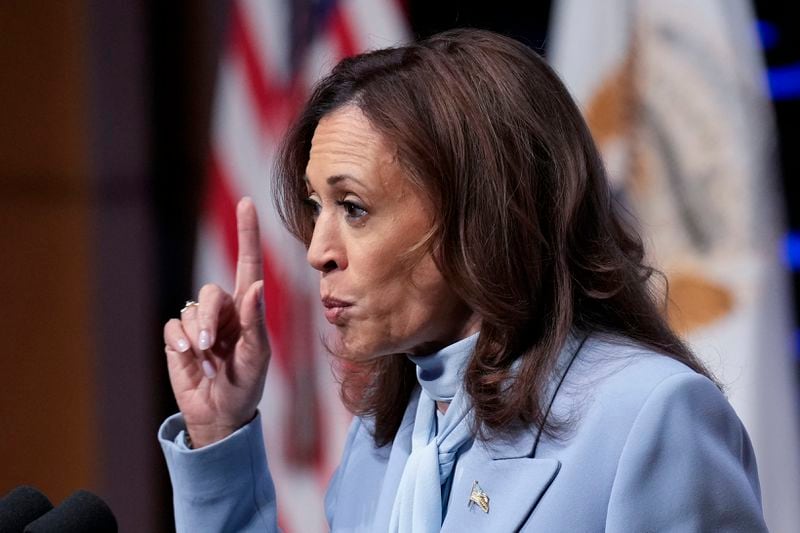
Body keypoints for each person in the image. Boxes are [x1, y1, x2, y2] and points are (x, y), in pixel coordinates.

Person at [158, 29, 767, 532]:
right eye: (317, 207)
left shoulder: (650, 417)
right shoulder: (380, 439)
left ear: (480, 217)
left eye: (354, 207)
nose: (317, 251)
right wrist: (219, 434)